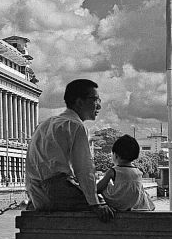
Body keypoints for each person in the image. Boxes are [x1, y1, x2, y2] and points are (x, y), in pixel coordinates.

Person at [25, 79, 115, 222]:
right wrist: (95, 204)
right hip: (60, 192)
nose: (99, 105)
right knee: (113, 204)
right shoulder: (76, 126)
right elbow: (84, 169)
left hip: (37, 195)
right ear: (79, 102)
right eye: (95, 99)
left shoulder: (44, 125)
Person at [96, 134, 155, 211]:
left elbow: (98, 189)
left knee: (105, 184)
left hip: (118, 204)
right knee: (143, 191)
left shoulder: (113, 171)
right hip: (134, 204)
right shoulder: (138, 172)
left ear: (116, 155)